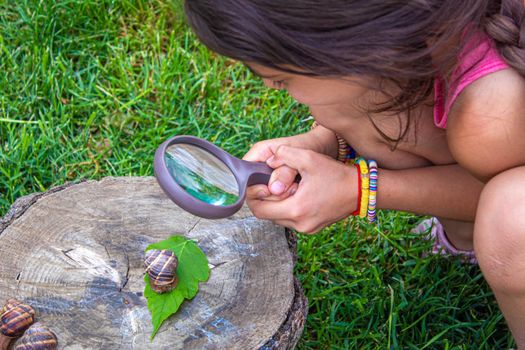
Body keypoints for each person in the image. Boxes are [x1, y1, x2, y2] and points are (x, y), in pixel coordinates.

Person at [183, 0, 525, 346]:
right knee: (359, 106)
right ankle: (466, 242)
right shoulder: (415, 32)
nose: (272, 88)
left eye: (281, 78)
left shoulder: (491, 116)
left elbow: (493, 199)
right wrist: (323, 142)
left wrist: (359, 190)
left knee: (511, 222)